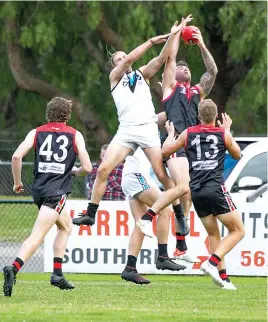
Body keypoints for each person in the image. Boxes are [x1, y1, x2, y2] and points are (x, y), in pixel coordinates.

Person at [73, 17, 193, 227]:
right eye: (118, 59)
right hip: (126, 130)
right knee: (102, 170)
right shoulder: (114, 78)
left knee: (161, 175)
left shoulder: (141, 74)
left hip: (147, 128)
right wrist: (150, 41)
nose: (123, 60)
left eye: (123, 57)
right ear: (114, 65)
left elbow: (164, 57)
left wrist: (173, 35)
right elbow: (129, 60)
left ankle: (180, 216)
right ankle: (91, 213)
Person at [3, 97, 92, 297]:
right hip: (56, 192)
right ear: (67, 115)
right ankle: (13, 267)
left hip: (39, 190)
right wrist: (75, 172)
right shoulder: (74, 135)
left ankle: (57, 275)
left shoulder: (36, 132)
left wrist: (17, 183)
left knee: (66, 226)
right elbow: (87, 168)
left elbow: (16, 156)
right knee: (38, 235)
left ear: (48, 113)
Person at [162, 99, 245, 290]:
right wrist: (227, 130)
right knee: (238, 231)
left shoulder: (188, 133)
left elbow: (166, 151)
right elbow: (237, 154)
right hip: (215, 188)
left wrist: (169, 135)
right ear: (216, 117)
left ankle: (223, 278)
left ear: (198, 116)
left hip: (196, 191)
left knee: (214, 233)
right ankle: (212, 262)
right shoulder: (223, 133)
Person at [156, 24, 218, 259]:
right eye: (182, 67)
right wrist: (175, 34)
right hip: (175, 144)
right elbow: (170, 58)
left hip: (192, 148)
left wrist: (201, 44)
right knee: (183, 188)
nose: (185, 69)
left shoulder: (196, 93)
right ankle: (152, 217)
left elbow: (212, 73)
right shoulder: (169, 89)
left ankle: (181, 246)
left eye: (188, 67)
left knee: (187, 194)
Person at [121, 148, 187, 284]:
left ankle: (130, 268)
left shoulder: (144, 133)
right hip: (136, 175)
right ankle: (163, 256)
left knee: (141, 225)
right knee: (165, 210)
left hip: (129, 177)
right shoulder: (150, 134)